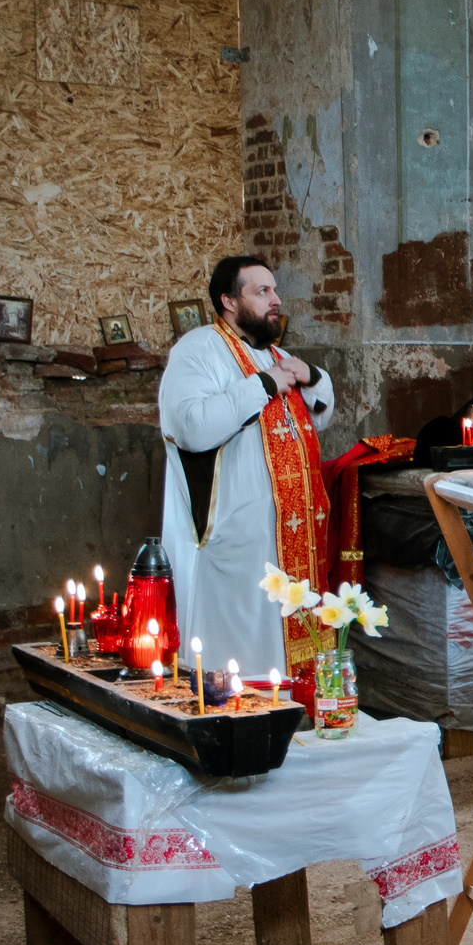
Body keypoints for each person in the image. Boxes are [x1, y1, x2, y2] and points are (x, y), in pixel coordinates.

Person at [159, 255, 338, 685]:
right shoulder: (199, 350)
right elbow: (192, 427)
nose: (276, 300)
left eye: (274, 290)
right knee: (241, 659)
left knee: (290, 644)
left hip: (289, 537)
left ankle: (301, 709)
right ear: (228, 301)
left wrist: (309, 374)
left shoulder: (274, 353)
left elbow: (321, 413)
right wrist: (263, 385)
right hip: (235, 544)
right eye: (262, 292)